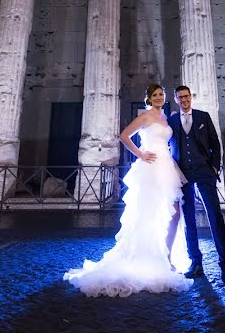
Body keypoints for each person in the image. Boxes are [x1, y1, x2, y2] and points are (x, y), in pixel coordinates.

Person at [63, 84, 193, 297]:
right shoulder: (145, 117)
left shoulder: (166, 118)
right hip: (150, 167)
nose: (159, 97)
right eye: (155, 95)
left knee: (174, 213)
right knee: (149, 213)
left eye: (161, 94)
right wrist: (141, 155)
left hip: (167, 166)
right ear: (149, 98)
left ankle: (167, 257)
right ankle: (149, 259)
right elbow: (124, 136)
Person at [167, 85, 225, 287]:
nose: (184, 100)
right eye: (180, 97)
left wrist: (214, 168)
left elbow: (215, 144)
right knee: (189, 219)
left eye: (186, 96)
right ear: (176, 99)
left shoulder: (203, 116)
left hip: (204, 172)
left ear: (191, 97)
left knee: (215, 217)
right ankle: (196, 262)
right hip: (182, 174)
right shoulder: (172, 120)